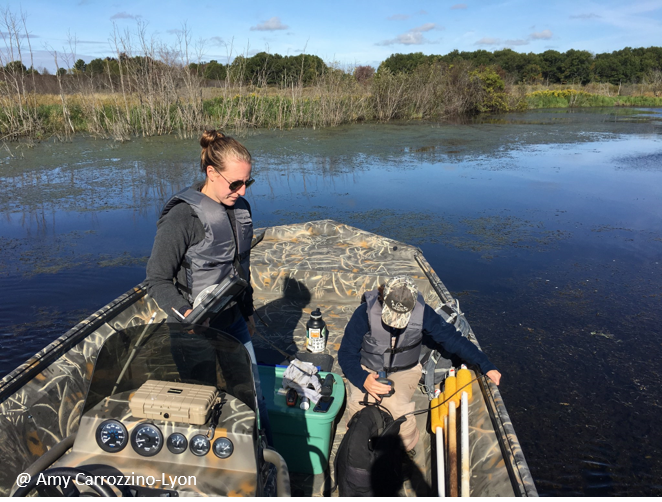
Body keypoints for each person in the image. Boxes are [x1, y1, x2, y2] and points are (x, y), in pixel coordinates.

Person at [145, 129, 272, 443]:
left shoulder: (240, 208)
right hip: (192, 330)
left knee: (251, 393)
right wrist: (188, 314)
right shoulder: (182, 218)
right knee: (200, 404)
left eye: (248, 183)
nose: (242, 192)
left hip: (233, 322)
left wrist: (247, 311)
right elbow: (157, 280)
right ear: (211, 173)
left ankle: (259, 452)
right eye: (236, 183)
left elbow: (241, 266)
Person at [338, 275, 501, 453]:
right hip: (367, 367)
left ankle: (406, 447)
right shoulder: (364, 313)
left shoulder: (423, 313)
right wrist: (363, 379)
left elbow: (453, 340)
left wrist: (485, 364)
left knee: (397, 406)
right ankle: (355, 446)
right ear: (383, 298)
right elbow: (346, 353)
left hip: (405, 369)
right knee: (359, 402)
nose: (396, 323)